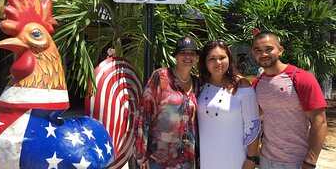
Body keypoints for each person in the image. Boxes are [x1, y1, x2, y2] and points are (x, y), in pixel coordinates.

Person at [251, 31, 327, 169]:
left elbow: (319, 121)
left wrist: (310, 161)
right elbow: (255, 116)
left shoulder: (301, 78)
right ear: (253, 54)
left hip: (297, 162)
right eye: (258, 50)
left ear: (280, 50)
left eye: (269, 49)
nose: (263, 54)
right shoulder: (257, 83)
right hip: (265, 159)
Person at [134, 36, 200, 169]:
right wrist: (141, 154)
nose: (188, 57)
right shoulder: (161, 76)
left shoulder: (197, 83)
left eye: (192, 53)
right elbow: (143, 114)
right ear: (176, 56)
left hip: (186, 160)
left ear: (197, 57)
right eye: (183, 53)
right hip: (158, 159)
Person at [197, 40, 261, 169]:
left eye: (222, 58)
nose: (218, 62)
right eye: (212, 59)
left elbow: (253, 125)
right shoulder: (199, 85)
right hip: (206, 158)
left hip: (235, 159)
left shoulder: (242, 85)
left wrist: (251, 159)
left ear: (229, 59)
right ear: (205, 62)